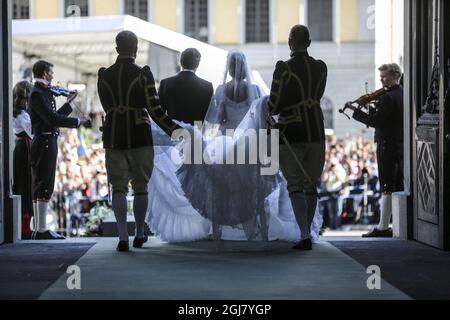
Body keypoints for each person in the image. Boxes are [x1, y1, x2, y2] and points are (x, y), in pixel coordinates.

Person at [146, 49, 322, 245]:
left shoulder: (221, 90)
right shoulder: (255, 90)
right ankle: (260, 230)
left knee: (221, 188)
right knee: (253, 188)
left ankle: (218, 231)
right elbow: (263, 115)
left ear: (228, 70)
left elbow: (216, 118)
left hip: (226, 141)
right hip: (250, 143)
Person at [97, 30, 182, 252]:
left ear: (117, 48)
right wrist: (175, 130)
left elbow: (107, 107)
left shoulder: (104, 75)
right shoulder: (143, 74)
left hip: (114, 135)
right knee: (141, 186)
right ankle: (139, 233)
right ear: (135, 48)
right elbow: (154, 109)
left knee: (118, 187)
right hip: (139, 135)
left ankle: (123, 236)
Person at [267, 25, 328, 250]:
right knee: (311, 184)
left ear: (290, 42)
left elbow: (273, 104)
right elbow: (318, 94)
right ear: (309, 43)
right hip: (317, 132)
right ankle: (308, 230)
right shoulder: (321, 67)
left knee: (295, 184)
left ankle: (304, 234)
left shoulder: (284, 68)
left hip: (291, 133)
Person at [29, 60, 89, 240]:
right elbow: (52, 119)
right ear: (45, 73)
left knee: (43, 184)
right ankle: (40, 229)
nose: (53, 76)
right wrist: (77, 122)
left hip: (47, 139)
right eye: (51, 72)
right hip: (45, 140)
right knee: (44, 184)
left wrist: (69, 103)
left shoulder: (42, 92)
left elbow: (53, 117)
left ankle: (40, 228)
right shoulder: (38, 93)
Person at [346, 63, 404, 237]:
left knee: (387, 184)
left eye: (384, 76)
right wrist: (372, 109)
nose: (381, 79)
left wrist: (356, 112)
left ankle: (383, 227)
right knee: (397, 184)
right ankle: (395, 225)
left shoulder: (387, 97)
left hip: (387, 144)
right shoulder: (401, 94)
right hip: (399, 143)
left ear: (395, 76)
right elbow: (387, 117)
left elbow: (377, 122)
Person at [158, 48, 213, 125]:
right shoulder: (207, 87)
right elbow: (210, 116)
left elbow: (159, 113)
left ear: (181, 62)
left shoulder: (165, 83)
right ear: (197, 64)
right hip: (196, 133)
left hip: (172, 132)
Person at [12, 81, 34, 239]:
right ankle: (25, 227)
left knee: (21, 184)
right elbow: (32, 132)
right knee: (26, 185)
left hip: (19, 148)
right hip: (25, 149)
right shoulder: (23, 114)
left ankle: (24, 225)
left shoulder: (15, 112)